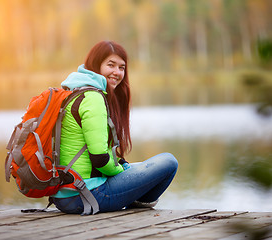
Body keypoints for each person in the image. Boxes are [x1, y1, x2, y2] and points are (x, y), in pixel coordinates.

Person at [51, 40, 178, 214]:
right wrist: (119, 170)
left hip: (66, 194)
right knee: (168, 162)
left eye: (122, 67)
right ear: (96, 65)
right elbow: (100, 159)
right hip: (87, 195)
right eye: (111, 65)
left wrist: (122, 166)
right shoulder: (93, 98)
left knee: (143, 166)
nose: (117, 72)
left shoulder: (74, 91)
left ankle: (134, 199)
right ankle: (138, 203)